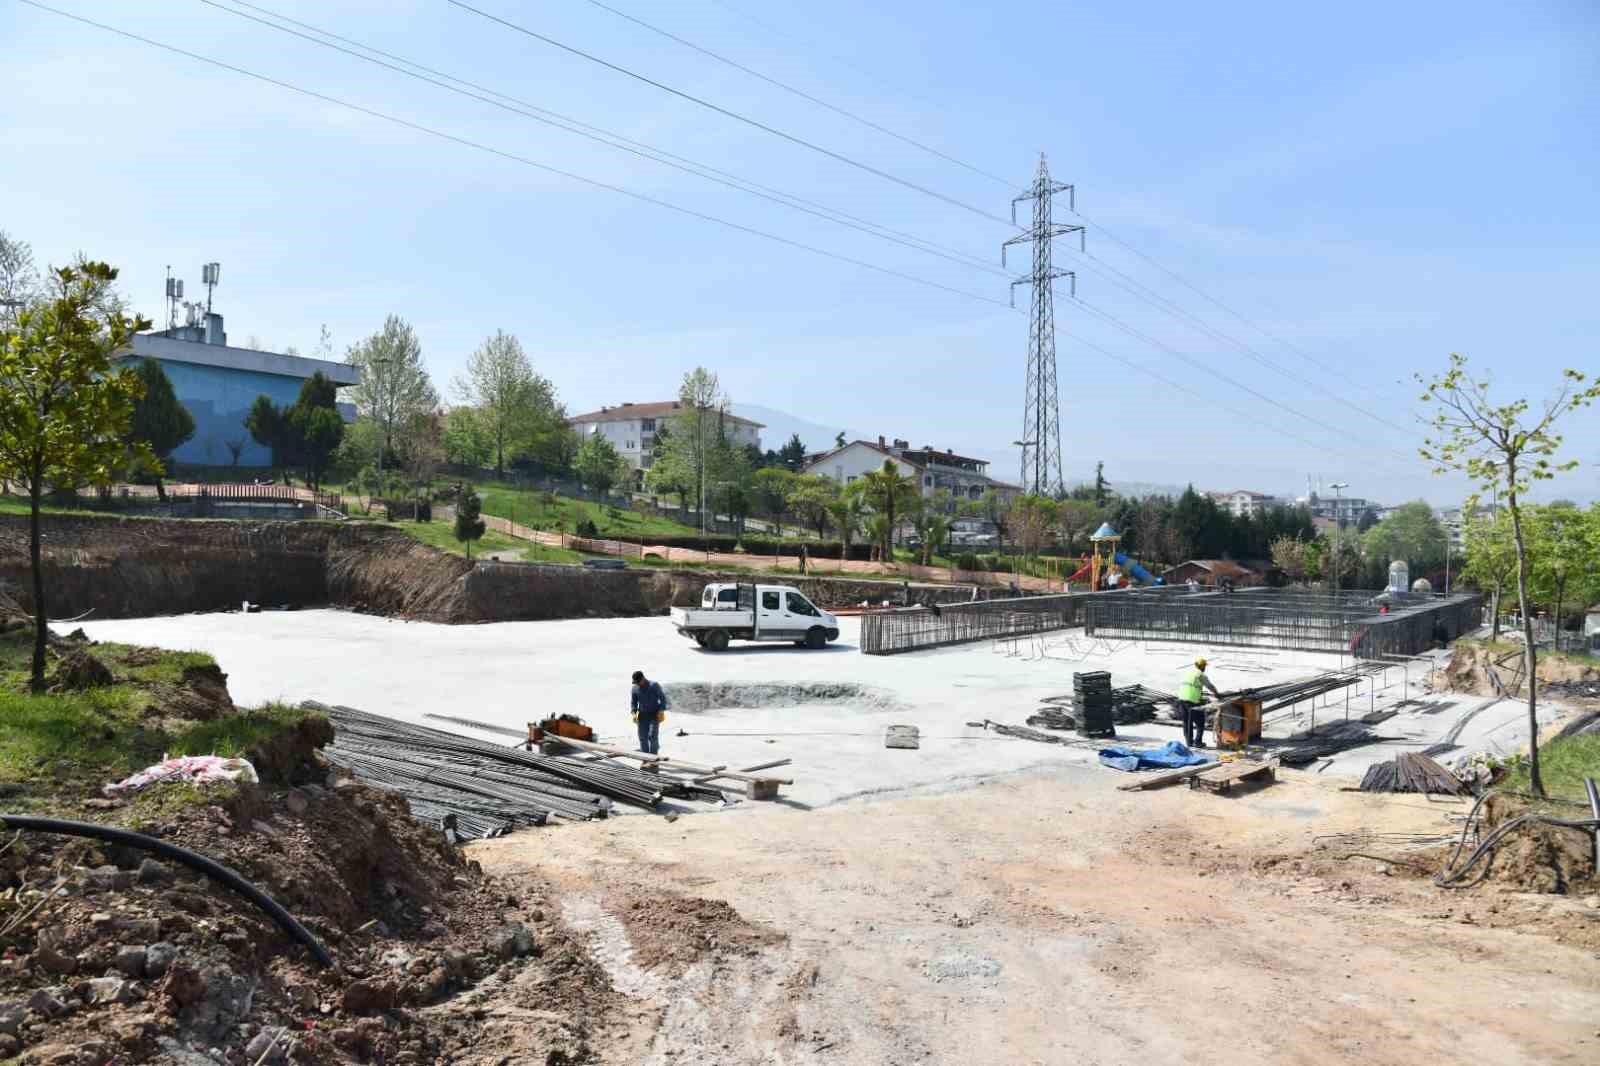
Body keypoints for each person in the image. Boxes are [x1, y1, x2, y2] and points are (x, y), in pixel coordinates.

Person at [1177, 657, 1221, 749]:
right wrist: (1217, 694)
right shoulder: (1200, 674)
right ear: (1202, 666)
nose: (1205, 668)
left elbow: (1190, 686)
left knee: (1187, 722)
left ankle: (1189, 742)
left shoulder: (1188, 673)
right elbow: (1209, 685)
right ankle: (1198, 742)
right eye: (1204, 666)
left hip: (1181, 699)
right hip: (1192, 701)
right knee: (1200, 721)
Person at [630, 670, 668, 755]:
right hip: (642, 715)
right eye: (635, 682)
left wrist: (661, 710)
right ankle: (645, 757)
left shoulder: (654, 685)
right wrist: (634, 713)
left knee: (652, 736)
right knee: (642, 737)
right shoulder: (635, 688)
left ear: (643, 678)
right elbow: (634, 702)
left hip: (654, 714)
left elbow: (663, 698)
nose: (637, 684)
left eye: (638, 682)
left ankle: (653, 758)